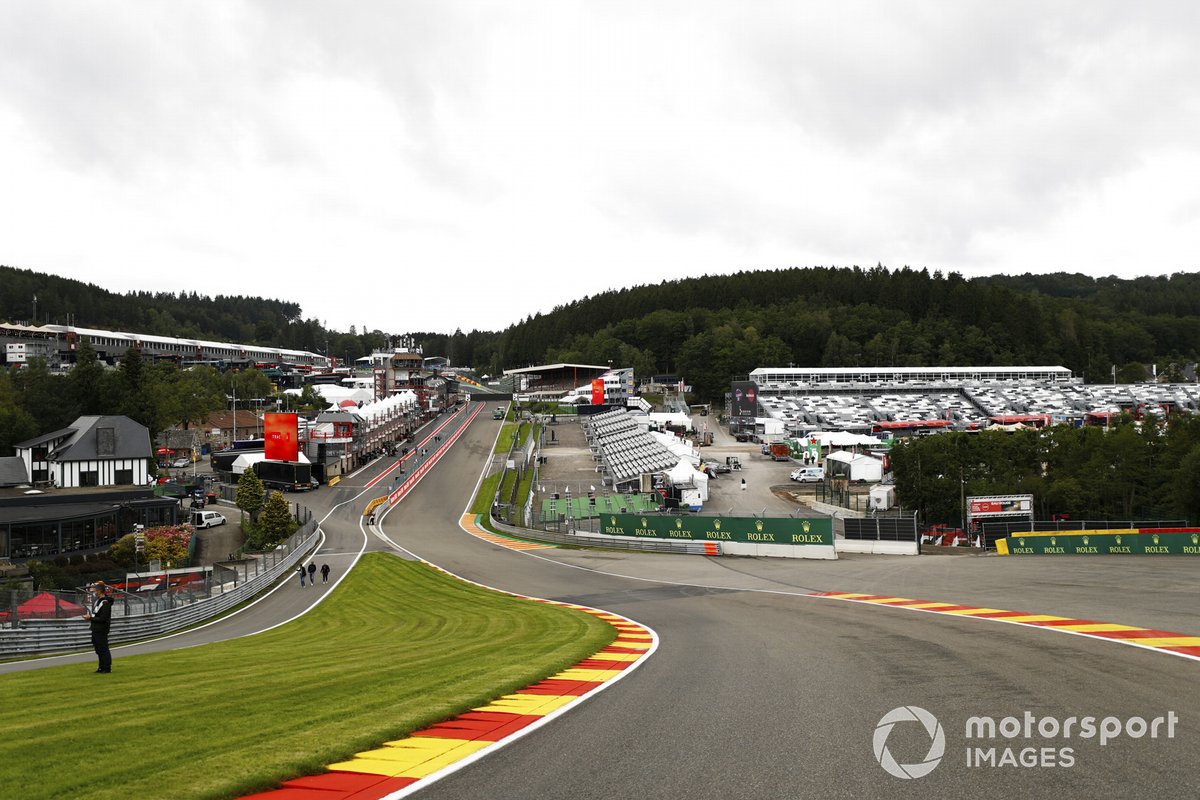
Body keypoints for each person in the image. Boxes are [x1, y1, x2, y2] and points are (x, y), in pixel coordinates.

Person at [83, 582, 113, 673]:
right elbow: (96, 615)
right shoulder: (98, 601)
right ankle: (101, 667)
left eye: (95, 590)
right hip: (95, 628)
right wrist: (90, 617)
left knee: (103, 648)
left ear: (99, 591)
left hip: (102, 629)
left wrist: (91, 618)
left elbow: (103, 618)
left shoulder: (105, 603)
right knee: (98, 649)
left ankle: (107, 667)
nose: (94, 591)